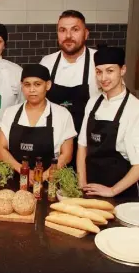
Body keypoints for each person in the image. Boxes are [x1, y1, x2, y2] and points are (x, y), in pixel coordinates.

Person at [77, 46, 139, 197]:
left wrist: (112, 191)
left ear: (123, 70)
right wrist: (82, 184)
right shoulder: (93, 103)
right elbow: (82, 146)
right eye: (99, 72)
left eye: (110, 71)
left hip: (121, 192)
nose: (103, 78)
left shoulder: (136, 110)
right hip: (91, 188)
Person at [0, 64, 77, 182]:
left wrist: (42, 176)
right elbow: (0, 149)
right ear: (22, 86)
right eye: (27, 84)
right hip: (15, 179)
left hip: (50, 182)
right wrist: (23, 171)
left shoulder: (62, 114)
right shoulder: (10, 113)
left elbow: (66, 155)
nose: (32, 90)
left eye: (37, 84)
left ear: (48, 85)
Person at [40, 10, 100, 169]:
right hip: (53, 145)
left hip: (87, 145)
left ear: (86, 33)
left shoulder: (99, 62)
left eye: (75, 29)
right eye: (62, 30)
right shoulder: (47, 63)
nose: (68, 35)